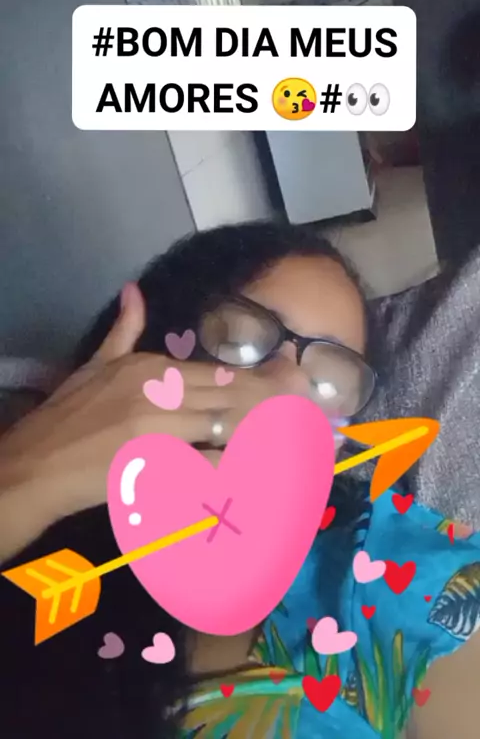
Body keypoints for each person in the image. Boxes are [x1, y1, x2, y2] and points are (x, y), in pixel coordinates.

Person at [0, 220, 479, 739]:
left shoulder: (386, 570)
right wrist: (33, 473)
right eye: (240, 341)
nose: (284, 393)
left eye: (330, 383)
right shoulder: (39, 483)